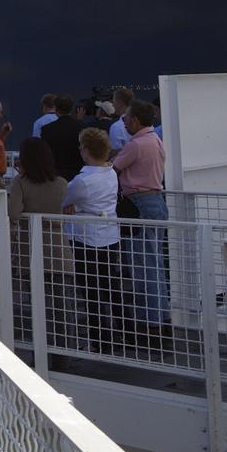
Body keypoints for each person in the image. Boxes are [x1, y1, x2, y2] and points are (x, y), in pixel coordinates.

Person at [7, 138, 78, 358]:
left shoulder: (20, 183)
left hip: (32, 250)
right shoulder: (62, 183)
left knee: (38, 306)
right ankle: (66, 354)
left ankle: (43, 354)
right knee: (63, 306)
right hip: (59, 249)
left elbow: (13, 213)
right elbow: (69, 210)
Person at [112, 100, 170, 337]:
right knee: (155, 263)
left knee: (142, 265)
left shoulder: (136, 145)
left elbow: (112, 169)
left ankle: (150, 320)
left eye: (126, 118)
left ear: (136, 120)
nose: (124, 122)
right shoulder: (155, 140)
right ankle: (160, 314)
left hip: (138, 205)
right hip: (155, 201)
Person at [63, 128, 122, 352]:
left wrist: (76, 206)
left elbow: (65, 200)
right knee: (111, 285)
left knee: (91, 290)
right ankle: (125, 330)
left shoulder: (82, 181)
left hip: (86, 237)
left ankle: (100, 341)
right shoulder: (111, 173)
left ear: (86, 150)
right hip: (110, 233)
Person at [40, 95, 85, 181]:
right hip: (77, 176)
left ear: (56, 109)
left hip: (55, 176)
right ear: (71, 109)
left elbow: (44, 154)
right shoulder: (81, 127)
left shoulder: (46, 130)